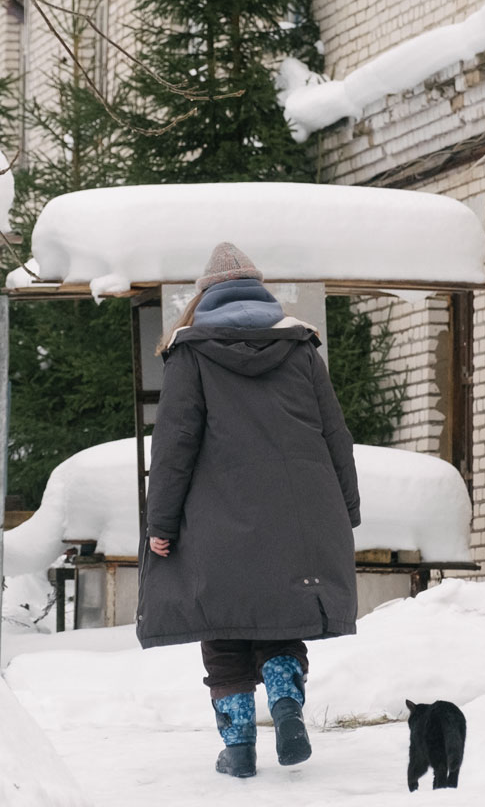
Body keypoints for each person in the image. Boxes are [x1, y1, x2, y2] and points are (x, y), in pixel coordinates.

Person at [140, 242, 361, 778]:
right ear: (260, 292)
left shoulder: (188, 354)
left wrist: (161, 524)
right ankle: (285, 695)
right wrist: (345, 510)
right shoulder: (301, 348)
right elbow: (335, 435)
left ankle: (238, 745)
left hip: (214, 519)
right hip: (296, 517)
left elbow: (173, 448)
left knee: (223, 626)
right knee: (280, 621)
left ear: (205, 298)